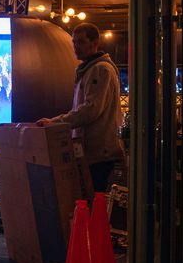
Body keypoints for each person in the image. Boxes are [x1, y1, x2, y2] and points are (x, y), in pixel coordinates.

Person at [36, 22, 124, 192]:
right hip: (95, 152)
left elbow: (90, 110)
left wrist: (55, 122)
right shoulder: (90, 69)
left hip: (99, 152)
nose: (76, 47)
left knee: (95, 200)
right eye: (74, 42)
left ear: (94, 42)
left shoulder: (99, 70)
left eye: (81, 42)